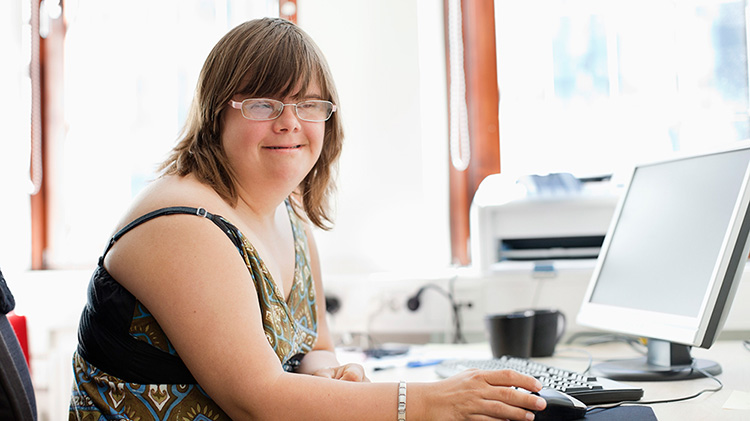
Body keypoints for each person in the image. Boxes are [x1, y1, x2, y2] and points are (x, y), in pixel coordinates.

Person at [68, 17, 546, 421]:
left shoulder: (288, 213)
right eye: (263, 104)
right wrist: (429, 400)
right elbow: (257, 399)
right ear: (216, 115)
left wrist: (324, 372)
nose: (290, 121)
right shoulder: (181, 225)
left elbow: (314, 343)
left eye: (309, 104)